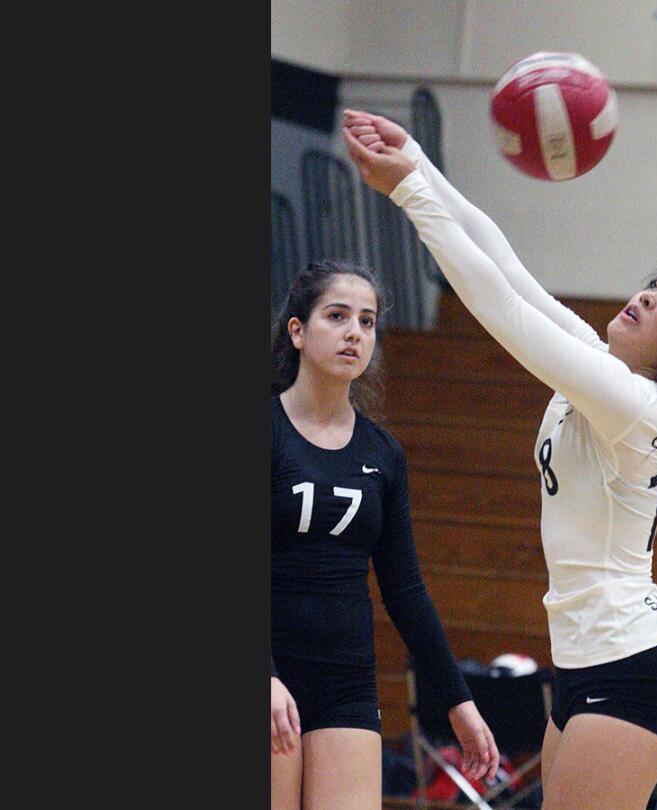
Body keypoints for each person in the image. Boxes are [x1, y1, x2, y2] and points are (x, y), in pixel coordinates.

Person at [342, 110, 657, 810]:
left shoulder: (637, 406)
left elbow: (499, 308)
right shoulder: (598, 371)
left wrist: (410, 195)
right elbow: (511, 271)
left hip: (631, 675)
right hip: (584, 666)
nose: (649, 293)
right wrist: (421, 163)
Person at [270, 260, 500, 810]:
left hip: (347, 682)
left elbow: (405, 590)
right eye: (337, 316)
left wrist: (457, 700)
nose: (355, 332)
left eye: (367, 321)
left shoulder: (382, 455)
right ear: (297, 331)